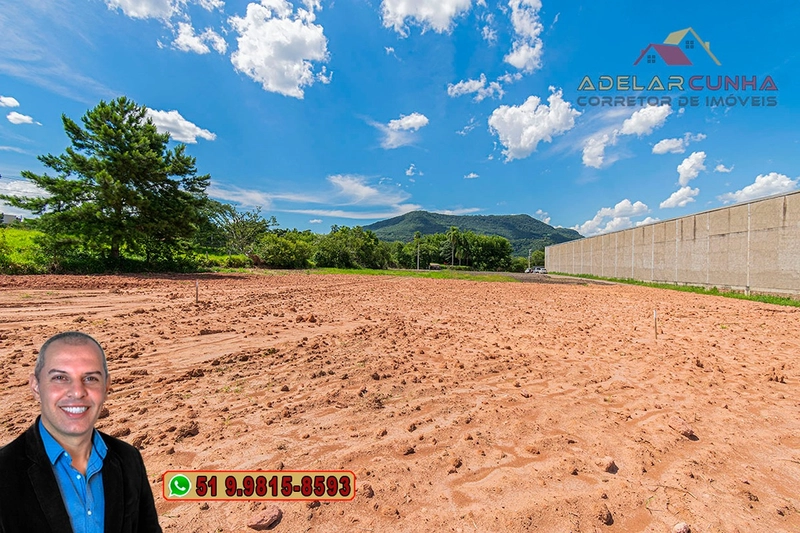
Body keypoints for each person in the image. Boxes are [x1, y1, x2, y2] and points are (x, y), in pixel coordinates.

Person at [0, 331, 162, 533]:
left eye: (91, 378)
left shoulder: (129, 460)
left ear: (106, 386)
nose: (77, 392)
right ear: (35, 386)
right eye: (60, 377)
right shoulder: (5, 471)